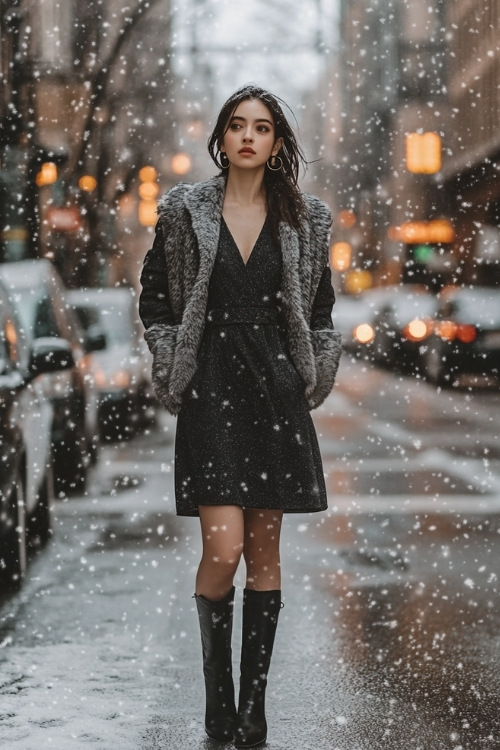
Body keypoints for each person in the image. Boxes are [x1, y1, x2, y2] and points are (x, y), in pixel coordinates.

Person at [139, 84, 342, 748]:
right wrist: (172, 358)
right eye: (237, 125)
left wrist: (313, 368)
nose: (248, 136)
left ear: (278, 143)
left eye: (262, 127)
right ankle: (216, 704)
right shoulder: (182, 212)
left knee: (264, 553)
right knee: (222, 550)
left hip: (276, 390)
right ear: (221, 139)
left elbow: (319, 312)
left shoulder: (307, 220)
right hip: (213, 389)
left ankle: (251, 710)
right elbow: (157, 302)